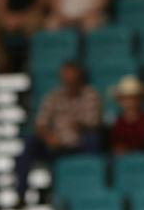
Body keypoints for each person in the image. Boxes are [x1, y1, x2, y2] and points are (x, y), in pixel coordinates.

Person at [19, 60, 103, 195]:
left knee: (93, 139)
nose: (69, 80)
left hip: (79, 143)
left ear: (80, 77)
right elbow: (40, 123)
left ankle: (91, 184)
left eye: (72, 76)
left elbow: (93, 123)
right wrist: (49, 136)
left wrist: (76, 128)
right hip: (54, 143)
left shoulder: (90, 94)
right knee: (30, 142)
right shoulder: (53, 96)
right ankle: (21, 192)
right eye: (66, 76)